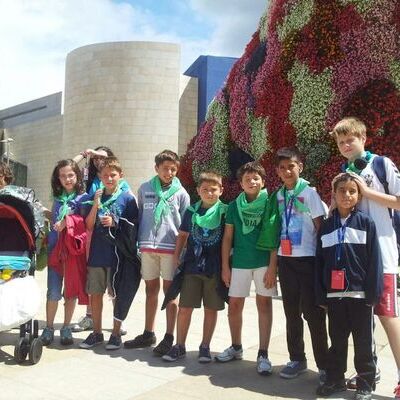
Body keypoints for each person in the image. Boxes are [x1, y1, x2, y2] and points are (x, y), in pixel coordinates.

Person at [331, 117, 400, 398]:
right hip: (353, 257)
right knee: (362, 319)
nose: (346, 145)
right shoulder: (342, 172)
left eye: (351, 139)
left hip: (382, 253)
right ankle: (368, 370)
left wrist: (366, 191)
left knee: (387, 316)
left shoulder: (381, 164)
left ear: (363, 138)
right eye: (341, 141)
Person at [315, 172, 383, 400]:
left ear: (359, 195)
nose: (347, 195)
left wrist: (373, 293)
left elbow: (375, 261)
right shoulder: (326, 226)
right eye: (342, 191)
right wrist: (322, 294)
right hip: (334, 297)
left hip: (361, 296)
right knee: (337, 340)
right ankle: (335, 380)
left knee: (363, 342)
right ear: (333, 194)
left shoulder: (366, 223)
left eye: (352, 191)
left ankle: (365, 383)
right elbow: (319, 262)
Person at [124, 149, 190, 356]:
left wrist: (182, 252)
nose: (169, 173)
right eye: (165, 169)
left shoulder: (181, 194)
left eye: (173, 169)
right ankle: (148, 332)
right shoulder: (144, 189)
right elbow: (141, 214)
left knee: (170, 294)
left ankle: (169, 336)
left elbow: (185, 225)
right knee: (150, 290)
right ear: (156, 168)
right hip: (148, 248)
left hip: (170, 249)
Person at [215, 161, 278, 375]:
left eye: (256, 178)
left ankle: (263, 353)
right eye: (247, 179)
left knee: (264, 305)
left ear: (263, 181)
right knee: (234, 306)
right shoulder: (234, 206)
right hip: (240, 262)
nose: (252, 181)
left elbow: (274, 235)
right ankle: (236, 346)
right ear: (240, 183)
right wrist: (225, 266)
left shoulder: (270, 202)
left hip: (263, 262)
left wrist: (272, 267)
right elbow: (228, 238)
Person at [274, 147, 328, 382]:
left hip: (308, 260)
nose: (287, 171)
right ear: (277, 171)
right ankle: (297, 358)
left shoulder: (309, 193)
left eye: (291, 166)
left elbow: (320, 227)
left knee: (314, 314)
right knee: (291, 313)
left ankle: (325, 366)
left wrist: (323, 263)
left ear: (300, 167)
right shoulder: (278, 195)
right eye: (283, 167)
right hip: (286, 260)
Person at [162, 171, 227, 362]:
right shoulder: (191, 211)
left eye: (213, 190)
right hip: (192, 266)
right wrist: (177, 257)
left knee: (211, 308)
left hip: (214, 268)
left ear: (220, 190)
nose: (209, 193)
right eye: (205, 189)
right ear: (198, 190)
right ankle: (179, 345)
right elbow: (182, 235)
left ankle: (205, 346)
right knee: (185, 307)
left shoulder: (225, 211)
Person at [79, 157, 138, 349]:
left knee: (117, 294)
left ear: (121, 175)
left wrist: (116, 222)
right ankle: (96, 333)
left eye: (113, 175)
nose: (109, 178)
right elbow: (88, 225)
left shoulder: (127, 198)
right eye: (105, 175)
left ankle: (115, 333)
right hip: (97, 253)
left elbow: (134, 226)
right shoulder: (94, 195)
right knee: (95, 294)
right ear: (100, 177)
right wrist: (95, 204)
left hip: (117, 255)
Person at [72, 146, 130, 333]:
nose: (97, 160)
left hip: (113, 240)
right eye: (95, 158)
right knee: (94, 282)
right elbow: (70, 166)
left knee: (114, 284)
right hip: (92, 235)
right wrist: (84, 154)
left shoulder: (121, 186)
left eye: (101, 157)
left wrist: (97, 153)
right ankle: (90, 318)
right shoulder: (90, 180)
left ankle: (117, 319)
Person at [40, 159, 88, 346]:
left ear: (77, 176)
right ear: (57, 178)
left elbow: (85, 224)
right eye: (63, 175)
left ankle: (66, 327)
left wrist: (67, 221)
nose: (67, 179)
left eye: (71, 175)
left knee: (71, 292)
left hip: (73, 253)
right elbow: (55, 220)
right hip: (55, 252)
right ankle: (49, 327)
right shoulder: (57, 198)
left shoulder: (84, 198)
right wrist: (46, 212)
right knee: (52, 291)